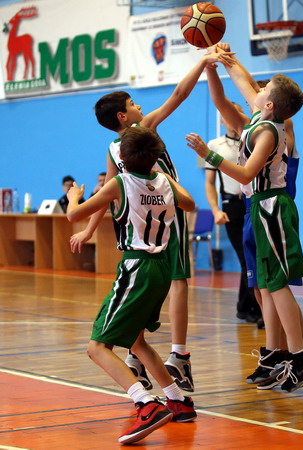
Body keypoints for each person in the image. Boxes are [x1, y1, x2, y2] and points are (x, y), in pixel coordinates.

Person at [68, 49, 233, 393]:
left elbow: (108, 192)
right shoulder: (142, 130)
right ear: (123, 116)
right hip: (165, 209)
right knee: (178, 279)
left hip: (138, 219)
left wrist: (88, 228)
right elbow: (179, 94)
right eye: (133, 103)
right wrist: (202, 63)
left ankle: (136, 353)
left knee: (145, 283)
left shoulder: (113, 148)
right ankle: (179, 354)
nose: (140, 106)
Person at [187, 49, 303, 393]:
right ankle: (277, 353)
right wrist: (218, 62)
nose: (255, 90)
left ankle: (300, 354)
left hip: (272, 207)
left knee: (276, 284)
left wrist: (208, 154)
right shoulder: (257, 119)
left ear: (270, 103)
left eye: (264, 90)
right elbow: (231, 92)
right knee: (263, 286)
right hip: (256, 207)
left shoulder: (275, 128)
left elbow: (247, 172)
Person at [66, 127, 197, 445]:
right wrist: (163, 177)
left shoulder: (120, 183)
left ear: (121, 157)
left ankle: (145, 403)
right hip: (163, 267)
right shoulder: (164, 180)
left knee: (97, 347)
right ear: (156, 157)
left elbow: (74, 216)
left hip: (137, 266)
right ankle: (177, 400)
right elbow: (190, 204)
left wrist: (73, 197)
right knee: (137, 343)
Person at [204, 102, 262, 325]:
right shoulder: (214, 145)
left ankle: (244, 307)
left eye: (237, 112)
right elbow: (210, 183)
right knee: (246, 258)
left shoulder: (252, 139)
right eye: (227, 114)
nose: (232, 117)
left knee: (254, 256)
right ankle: (254, 309)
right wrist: (216, 210)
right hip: (231, 206)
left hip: (252, 202)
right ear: (221, 119)